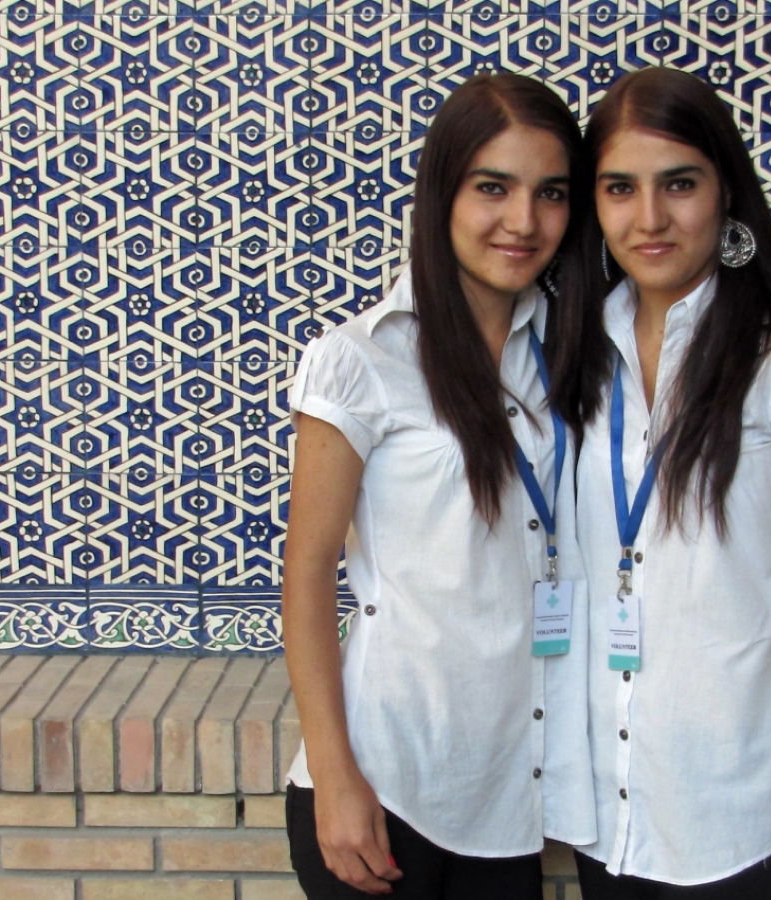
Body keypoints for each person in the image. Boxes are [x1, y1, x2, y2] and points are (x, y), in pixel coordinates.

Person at [556, 67, 771, 898]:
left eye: (680, 184)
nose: (651, 217)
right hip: (606, 776)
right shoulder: (576, 346)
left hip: (730, 786)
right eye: (620, 188)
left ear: (726, 192)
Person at [281, 73, 595, 900]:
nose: (523, 222)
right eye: (493, 187)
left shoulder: (560, 356)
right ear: (442, 193)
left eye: (551, 193)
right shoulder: (362, 359)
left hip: (505, 792)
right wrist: (336, 776)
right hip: (384, 786)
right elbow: (307, 575)